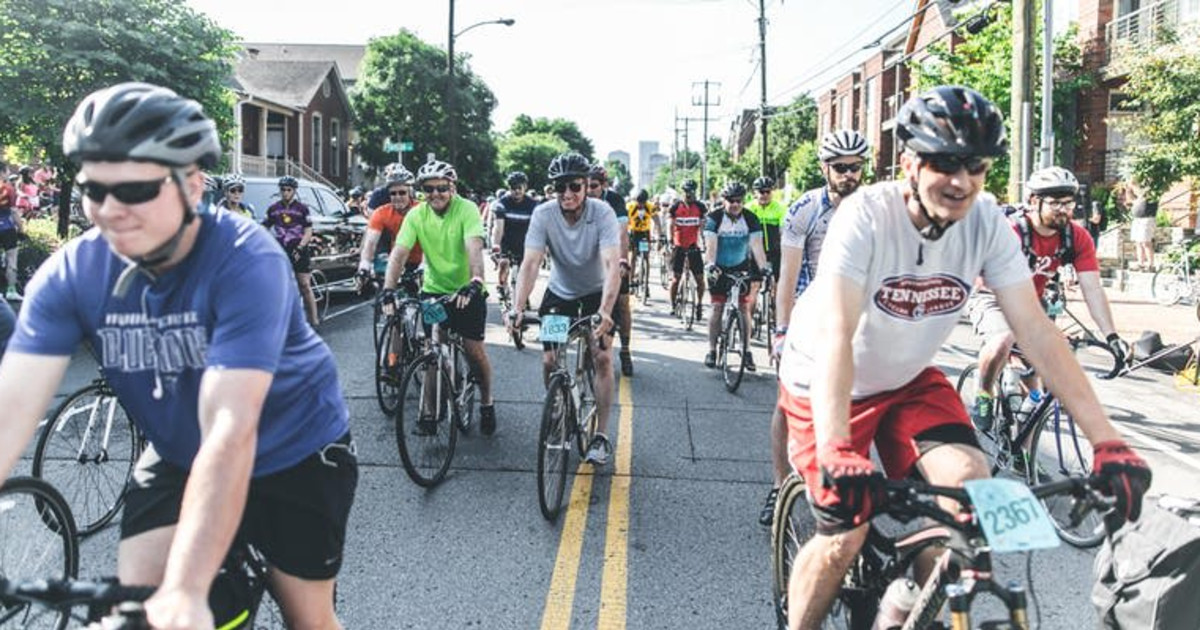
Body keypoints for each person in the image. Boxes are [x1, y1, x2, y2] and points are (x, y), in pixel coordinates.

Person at [777, 86, 1151, 629]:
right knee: (846, 531)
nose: (961, 181)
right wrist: (837, 449)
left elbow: (1036, 331)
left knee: (970, 494)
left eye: (975, 166)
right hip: (828, 377)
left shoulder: (986, 223)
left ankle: (905, 600)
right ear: (910, 162)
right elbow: (838, 334)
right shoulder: (865, 216)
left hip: (907, 378)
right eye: (945, 163)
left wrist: (1107, 443)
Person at [0, 82, 356, 629]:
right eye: (93, 189)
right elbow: (10, 410)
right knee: (141, 610)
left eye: (136, 188)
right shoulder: (72, 274)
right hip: (180, 455)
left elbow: (231, 428)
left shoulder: (246, 258)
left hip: (294, 453)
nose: (109, 210)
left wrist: (187, 589)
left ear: (192, 185)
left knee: (307, 618)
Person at [759, 128, 871, 526]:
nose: (849, 175)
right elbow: (787, 278)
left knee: (859, 402)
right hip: (810, 313)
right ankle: (779, 486)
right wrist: (781, 330)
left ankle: (845, 482)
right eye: (840, 168)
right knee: (786, 403)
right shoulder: (805, 209)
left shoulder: (874, 209)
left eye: (856, 167)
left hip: (858, 315)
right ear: (825, 168)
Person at [967, 166, 1129, 429]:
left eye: (1069, 203)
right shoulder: (1011, 232)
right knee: (1003, 340)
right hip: (992, 296)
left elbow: (1092, 290)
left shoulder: (1076, 238)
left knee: (1038, 386)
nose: (1064, 210)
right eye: (1055, 203)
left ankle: (1022, 446)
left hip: (1031, 302)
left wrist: (1112, 336)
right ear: (1034, 201)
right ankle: (984, 393)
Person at [507, 152, 621, 466]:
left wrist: (606, 310)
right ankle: (557, 405)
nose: (567, 193)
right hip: (560, 294)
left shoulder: (602, 213)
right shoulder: (543, 214)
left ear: (586, 186)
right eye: (560, 187)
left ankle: (601, 435)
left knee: (602, 357)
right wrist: (518, 307)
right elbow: (531, 263)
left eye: (574, 186)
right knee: (549, 359)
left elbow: (612, 264)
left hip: (596, 294)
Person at [381, 159, 497, 434]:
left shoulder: (467, 209)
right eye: (429, 189)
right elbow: (399, 253)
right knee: (432, 348)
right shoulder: (416, 215)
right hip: (434, 290)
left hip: (467, 290)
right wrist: (388, 289)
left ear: (452, 188)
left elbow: (474, 249)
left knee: (473, 350)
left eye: (442, 188)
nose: (436, 194)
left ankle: (487, 401)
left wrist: (475, 280)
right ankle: (429, 415)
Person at [703, 181, 769, 371]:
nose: (735, 204)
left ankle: (747, 350)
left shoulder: (750, 218)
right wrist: (711, 265)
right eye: (731, 200)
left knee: (744, 308)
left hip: (740, 266)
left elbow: (757, 246)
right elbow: (711, 246)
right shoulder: (714, 218)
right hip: (719, 267)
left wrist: (764, 267)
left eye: (739, 201)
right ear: (724, 200)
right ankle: (712, 350)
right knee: (717, 307)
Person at [587, 164, 634, 376]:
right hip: (590, 258)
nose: (589, 190)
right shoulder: (581, 199)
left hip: (613, 254)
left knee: (622, 304)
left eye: (594, 186)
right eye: (586, 186)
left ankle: (625, 350)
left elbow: (622, 233)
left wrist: (622, 260)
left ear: (604, 185)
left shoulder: (614, 200)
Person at [263, 175, 320, 327]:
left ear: (294, 191)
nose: (286, 193)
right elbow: (264, 227)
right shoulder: (273, 209)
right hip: (281, 250)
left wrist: (300, 247)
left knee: (304, 285)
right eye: (283, 190)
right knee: (280, 286)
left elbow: (308, 231)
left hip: (299, 249)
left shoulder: (302, 209)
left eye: (289, 190)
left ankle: (314, 319)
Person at [356, 167, 422, 291]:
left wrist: (424, 266)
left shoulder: (422, 210)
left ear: (410, 193)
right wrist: (364, 266)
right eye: (393, 193)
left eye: (402, 193)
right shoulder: (381, 212)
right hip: (396, 261)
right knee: (386, 295)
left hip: (420, 260)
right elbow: (370, 243)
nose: (397, 197)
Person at [491, 171, 538, 300]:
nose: (516, 191)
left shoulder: (533, 205)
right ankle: (502, 286)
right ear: (509, 188)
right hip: (506, 239)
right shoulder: (502, 203)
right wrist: (496, 246)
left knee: (526, 270)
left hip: (524, 240)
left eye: (519, 187)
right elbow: (498, 228)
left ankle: (523, 294)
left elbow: (536, 228)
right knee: (504, 263)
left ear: (525, 187)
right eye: (513, 188)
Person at [667, 179, 708, 322]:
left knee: (700, 279)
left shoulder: (700, 207)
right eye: (686, 192)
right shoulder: (675, 207)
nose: (688, 194)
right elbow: (670, 225)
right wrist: (669, 240)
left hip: (693, 246)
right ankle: (673, 304)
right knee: (675, 279)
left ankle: (699, 304)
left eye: (691, 192)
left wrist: (705, 243)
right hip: (678, 246)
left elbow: (703, 227)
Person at [626, 189, 659, 288]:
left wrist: (660, 233)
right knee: (633, 256)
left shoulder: (650, 207)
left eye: (642, 203)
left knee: (646, 257)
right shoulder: (630, 206)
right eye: (638, 202)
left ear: (646, 201)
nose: (640, 205)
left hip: (645, 233)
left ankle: (646, 283)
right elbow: (624, 221)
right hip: (634, 232)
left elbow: (657, 220)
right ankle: (631, 280)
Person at [1129, 183, 1157, 271]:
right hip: (1137, 219)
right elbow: (1131, 199)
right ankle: (1140, 263)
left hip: (1147, 219)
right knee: (1138, 242)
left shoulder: (1151, 192)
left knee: (1146, 242)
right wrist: (1128, 189)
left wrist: (1132, 185)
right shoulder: (1139, 196)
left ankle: (1151, 265)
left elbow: (1141, 193)